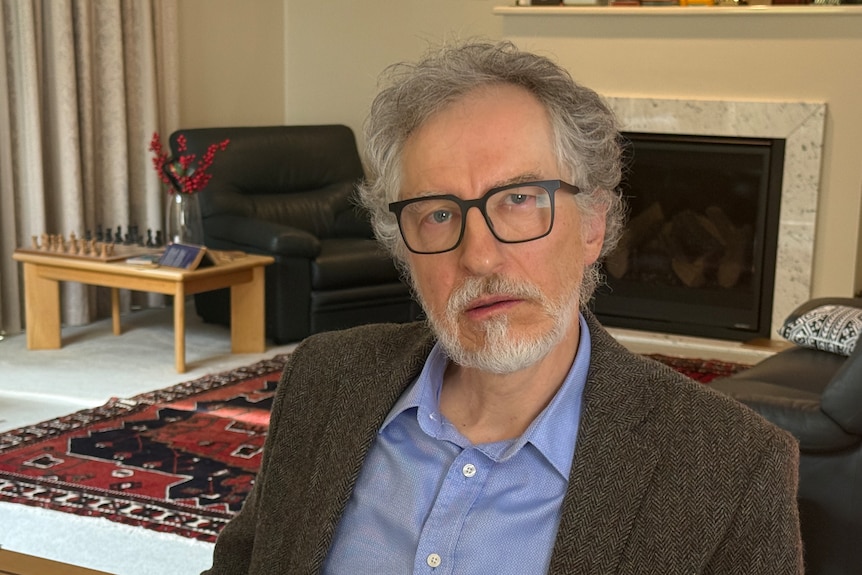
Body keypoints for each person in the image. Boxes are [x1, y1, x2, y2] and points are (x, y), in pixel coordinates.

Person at [202, 41, 802, 575]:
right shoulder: (324, 378)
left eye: (520, 198)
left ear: (593, 225)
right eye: (438, 213)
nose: (480, 257)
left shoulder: (732, 467)